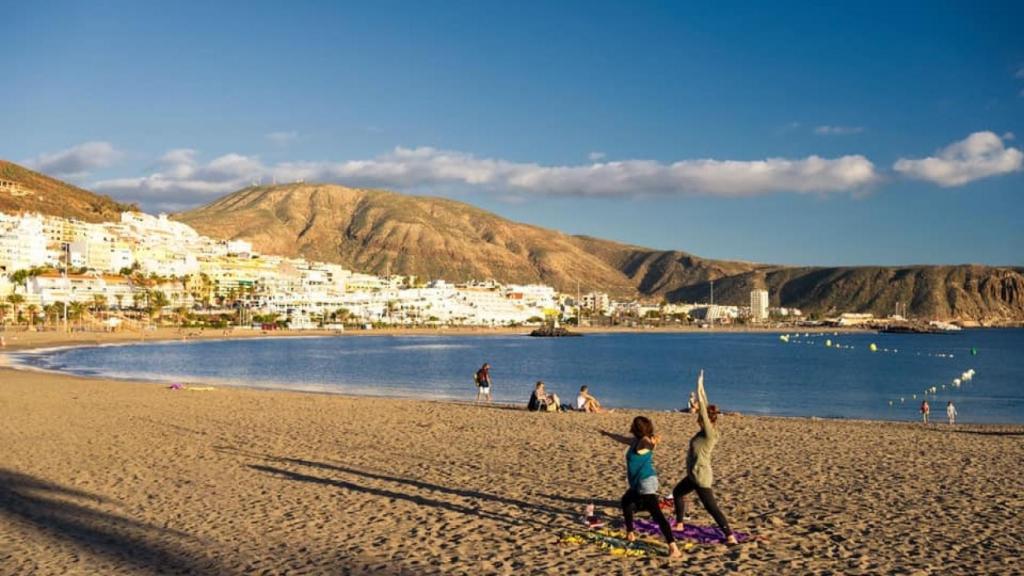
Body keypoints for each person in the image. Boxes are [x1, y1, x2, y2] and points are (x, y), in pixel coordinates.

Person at [672, 370, 738, 546]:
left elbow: (702, 405)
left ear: (706, 419)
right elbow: (704, 404)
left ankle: (730, 535)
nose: (697, 419)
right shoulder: (705, 431)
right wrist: (701, 388)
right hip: (693, 475)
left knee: (711, 507)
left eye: (701, 417)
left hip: (701, 476)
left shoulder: (709, 433)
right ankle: (679, 524)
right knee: (677, 493)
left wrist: (699, 385)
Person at [621, 415, 682, 558]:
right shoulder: (635, 440)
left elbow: (648, 445)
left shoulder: (644, 441)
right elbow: (621, 438)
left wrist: (653, 444)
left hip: (646, 482)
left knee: (657, 515)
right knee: (626, 501)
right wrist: (606, 434)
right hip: (638, 483)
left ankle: (673, 548)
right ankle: (630, 533)